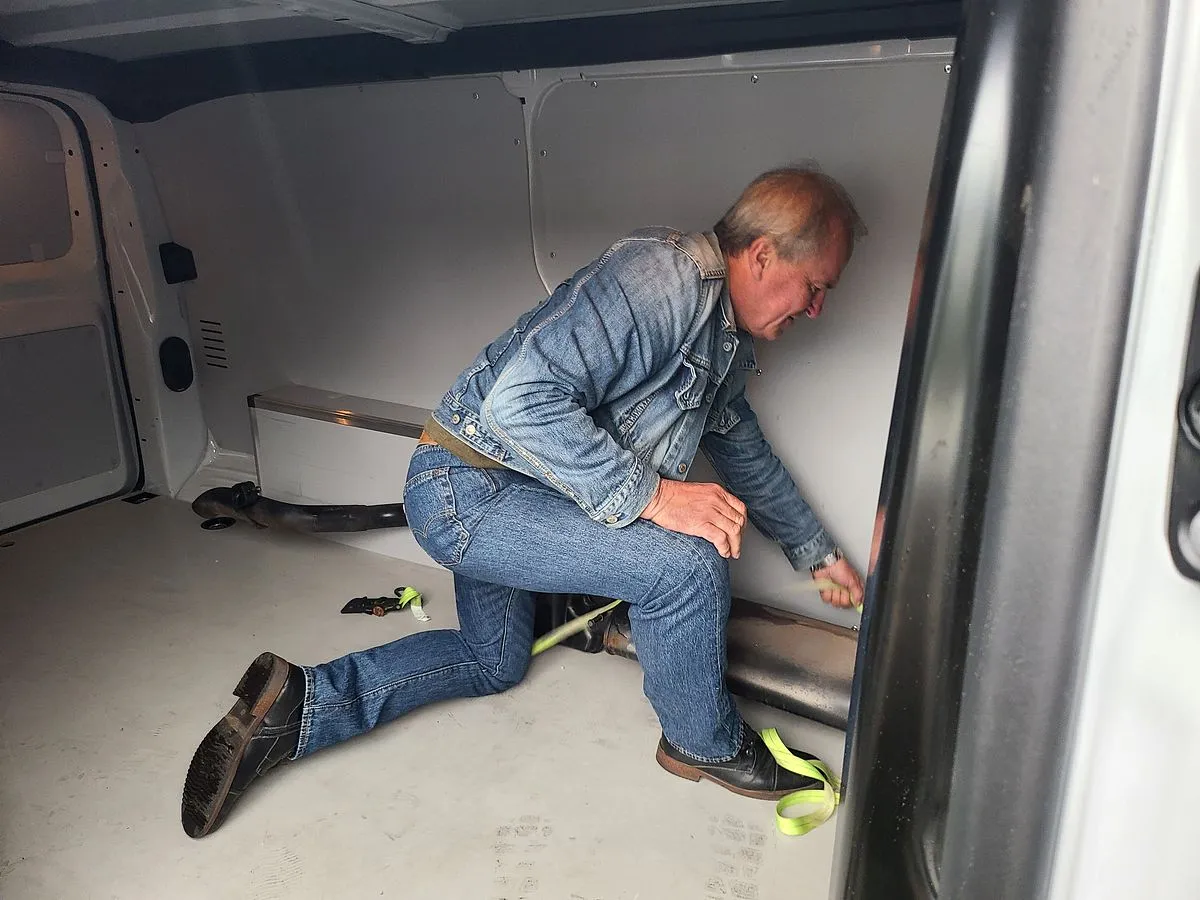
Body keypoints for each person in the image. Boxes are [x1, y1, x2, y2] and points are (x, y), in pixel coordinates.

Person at [181, 163, 867, 839]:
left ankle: (297, 708)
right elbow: (520, 404)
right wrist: (656, 497)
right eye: (814, 287)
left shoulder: (722, 338)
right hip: (467, 493)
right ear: (762, 254)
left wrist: (817, 553)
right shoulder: (665, 279)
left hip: (521, 495)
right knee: (685, 564)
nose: (816, 309)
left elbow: (742, 447)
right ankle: (703, 744)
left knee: (493, 662)